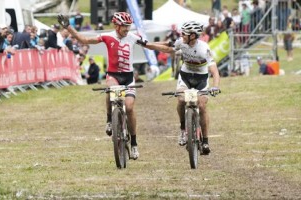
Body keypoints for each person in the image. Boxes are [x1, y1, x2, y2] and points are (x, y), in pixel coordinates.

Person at [58, 12, 142, 159]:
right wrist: (68, 28)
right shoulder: (107, 36)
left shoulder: (132, 37)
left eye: (129, 26)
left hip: (128, 77)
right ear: (116, 25)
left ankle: (134, 143)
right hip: (113, 75)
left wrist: (171, 47)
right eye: (125, 26)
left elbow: (151, 45)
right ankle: (109, 120)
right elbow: (84, 39)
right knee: (110, 91)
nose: (127, 29)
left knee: (129, 108)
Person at [137, 21, 220, 155]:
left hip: (201, 79)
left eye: (185, 34)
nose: (182, 35)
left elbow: (215, 71)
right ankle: (183, 130)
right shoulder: (181, 42)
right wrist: (146, 44)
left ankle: (205, 141)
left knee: (202, 106)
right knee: (181, 100)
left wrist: (215, 87)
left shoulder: (204, 49)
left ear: (193, 36)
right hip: (185, 76)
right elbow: (166, 47)